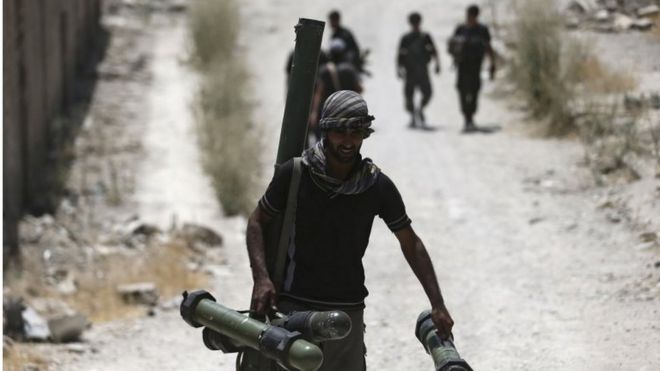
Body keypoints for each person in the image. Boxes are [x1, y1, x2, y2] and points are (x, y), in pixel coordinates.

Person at [246, 91, 454, 370]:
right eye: (340, 131)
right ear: (326, 130)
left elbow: (411, 243)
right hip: (295, 309)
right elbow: (257, 222)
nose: (348, 140)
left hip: (348, 313)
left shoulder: (376, 185)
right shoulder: (295, 174)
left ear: (365, 134)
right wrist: (261, 279)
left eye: (356, 131)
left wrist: (437, 303)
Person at [449, 4, 496, 133]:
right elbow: (452, 47)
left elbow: (488, 47)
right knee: (462, 91)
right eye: (468, 16)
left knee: (474, 91)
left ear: (476, 16)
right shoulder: (460, 29)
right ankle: (467, 118)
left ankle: (470, 116)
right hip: (462, 66)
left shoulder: (482, 30)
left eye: (472, 16)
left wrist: (492, 64)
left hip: (476, 67)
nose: (469, 18)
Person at [309, 39, 363, 142]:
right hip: (345, 114)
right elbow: (359, 89)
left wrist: (314, 113)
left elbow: (319, 93)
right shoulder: (350, 70)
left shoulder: (325, 70)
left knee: (322, 142)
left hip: (327, 114)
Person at [397, 12, 440, 128]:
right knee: (409, 96)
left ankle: (420, 109)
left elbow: (434, 50)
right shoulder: (406, 38)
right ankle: (412, 116)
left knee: (427, 93)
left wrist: (437, 64)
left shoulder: (425, 36)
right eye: (414, 22)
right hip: (410, 71)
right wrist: (399, 69)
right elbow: (400, 54)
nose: (415, 24)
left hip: (422, 70)